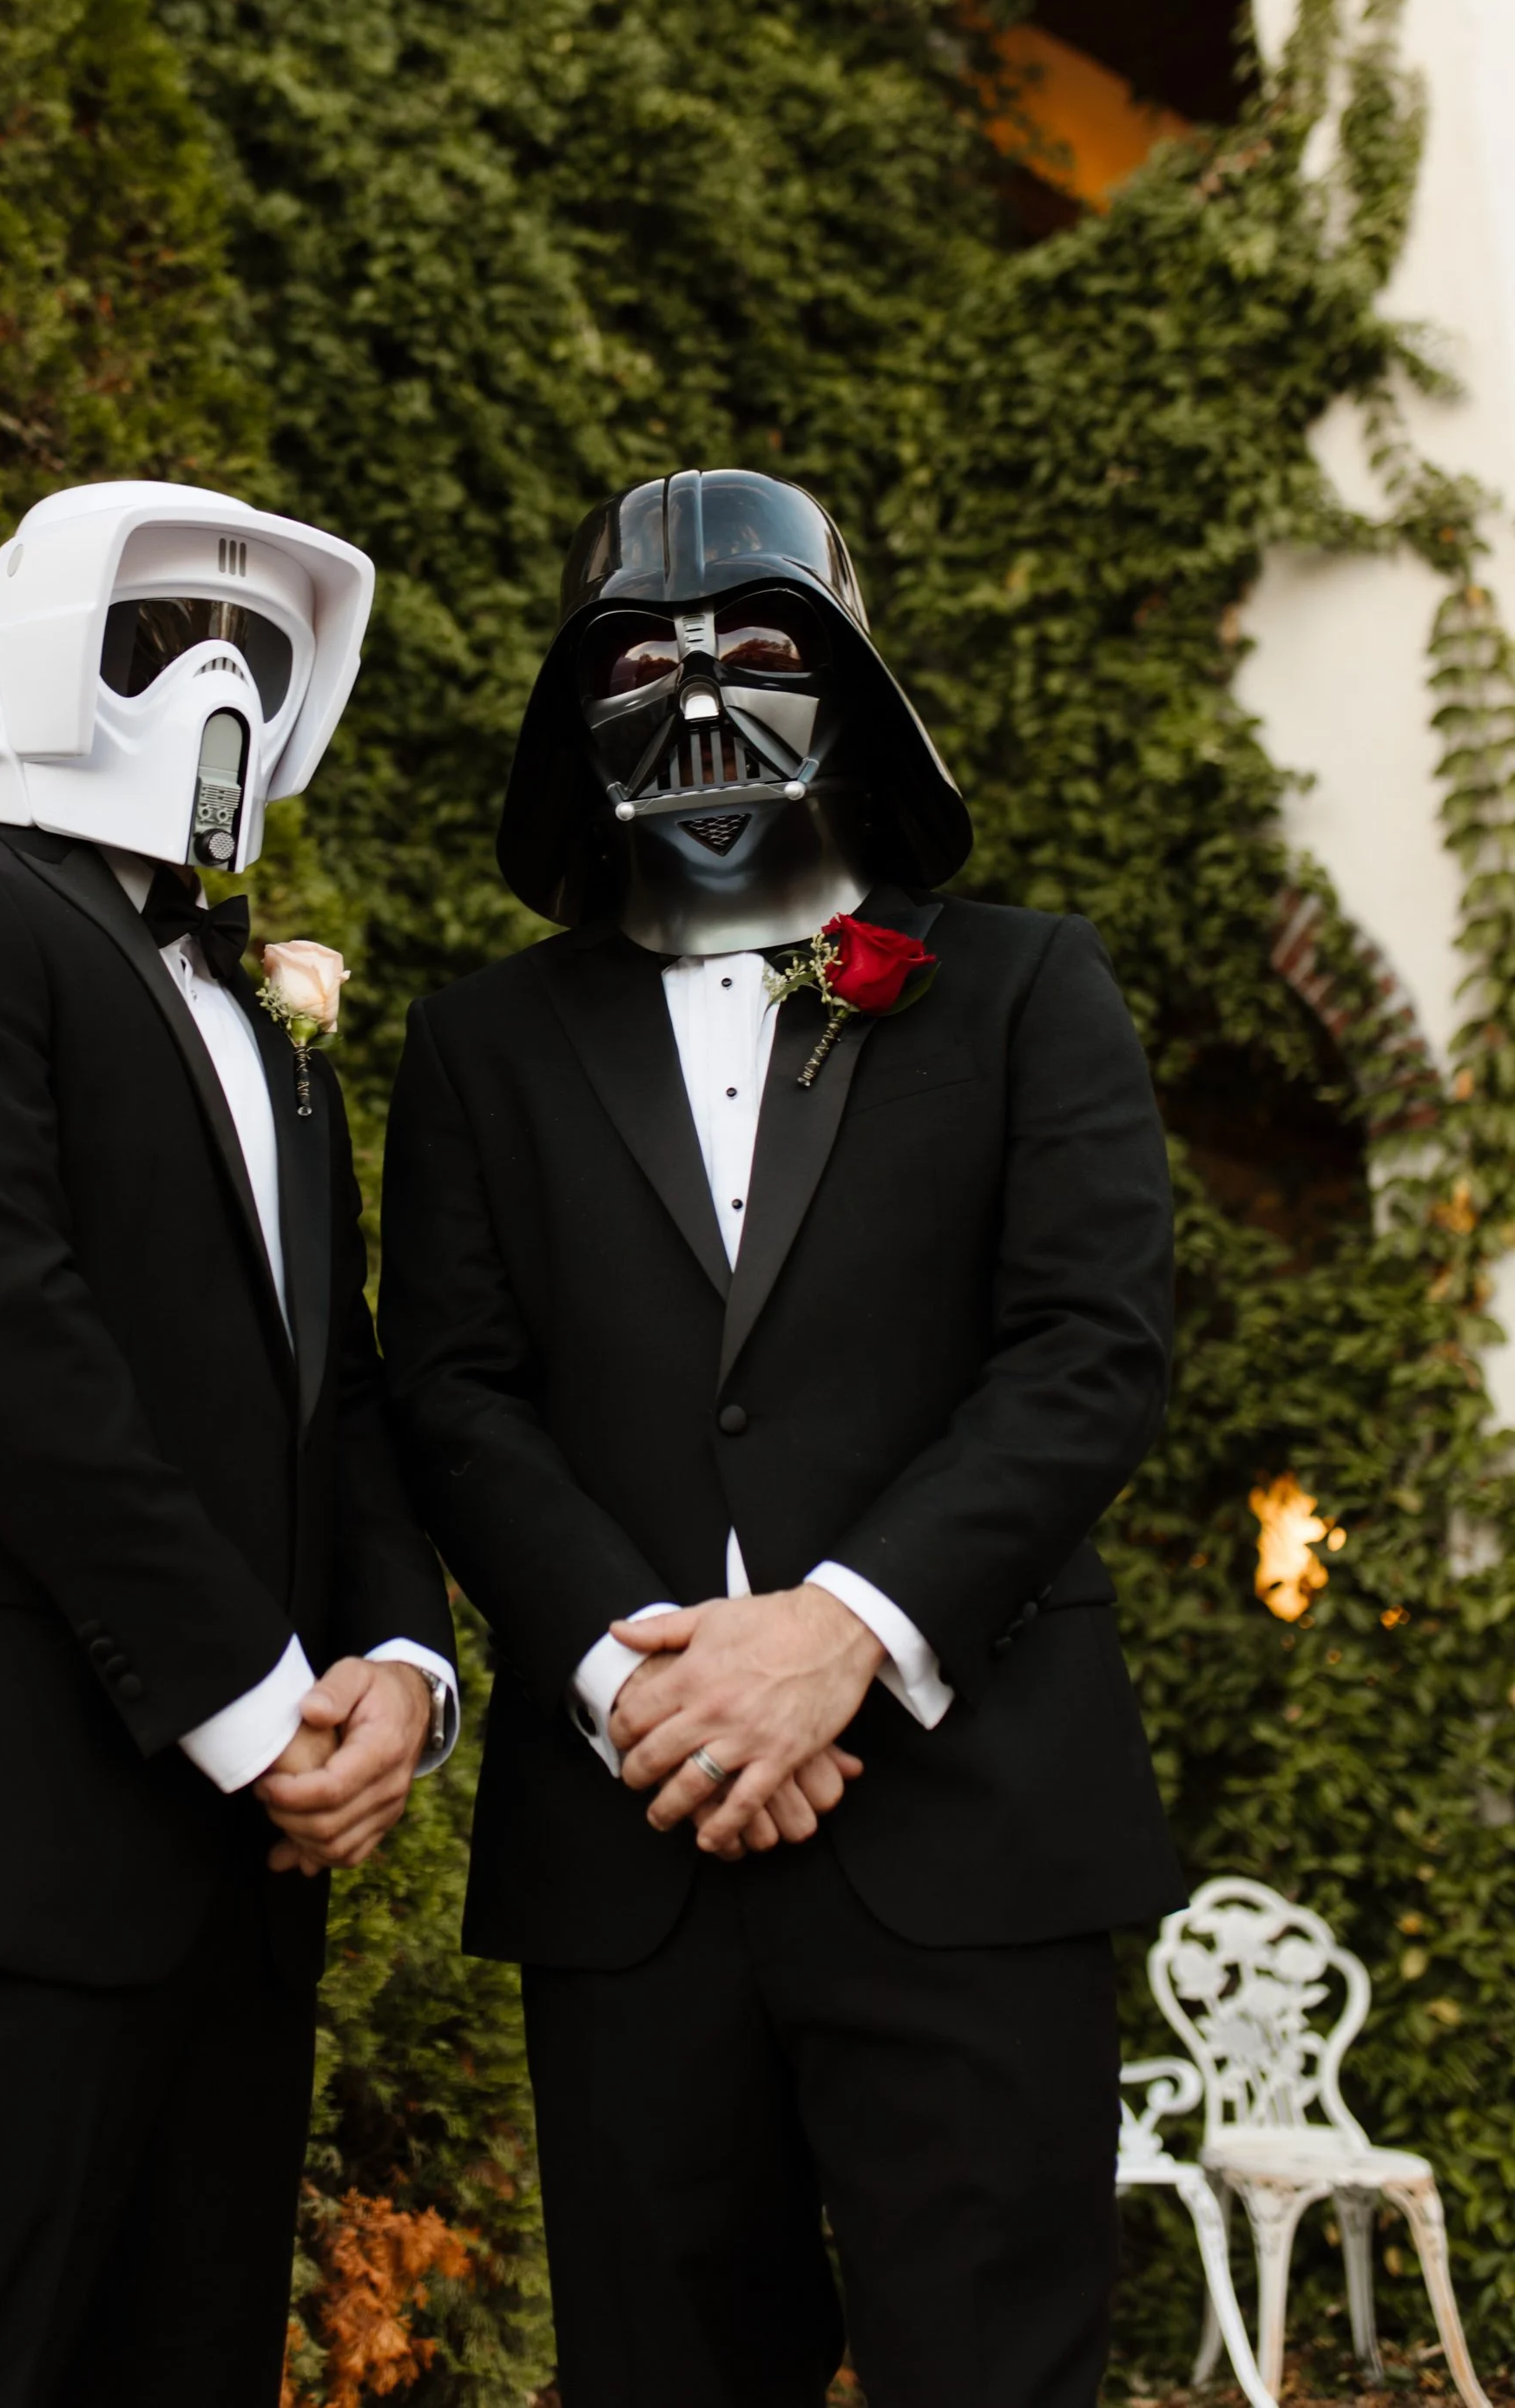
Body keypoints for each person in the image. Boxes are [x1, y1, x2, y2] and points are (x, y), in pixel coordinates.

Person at [379, 467, 1181, 2408]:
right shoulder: (481, 1045)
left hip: (965, 1833)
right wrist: (634, 1683)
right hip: (631, 1855)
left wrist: (837, 1636)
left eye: (752, 651)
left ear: (849, 683)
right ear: (573, 714)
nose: (698, 698)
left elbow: (1087, 1346)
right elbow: (450, 1392)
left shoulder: (1018, 987)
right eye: (640, 661)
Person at [0, 477, 457, 2408]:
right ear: (47, 647)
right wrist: (256, 1702)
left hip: (234, 1915)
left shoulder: (261, 1015)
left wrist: (400, 1665)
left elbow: (344, 1390)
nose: (218, 681)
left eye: (257, 647)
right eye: (164, 635)